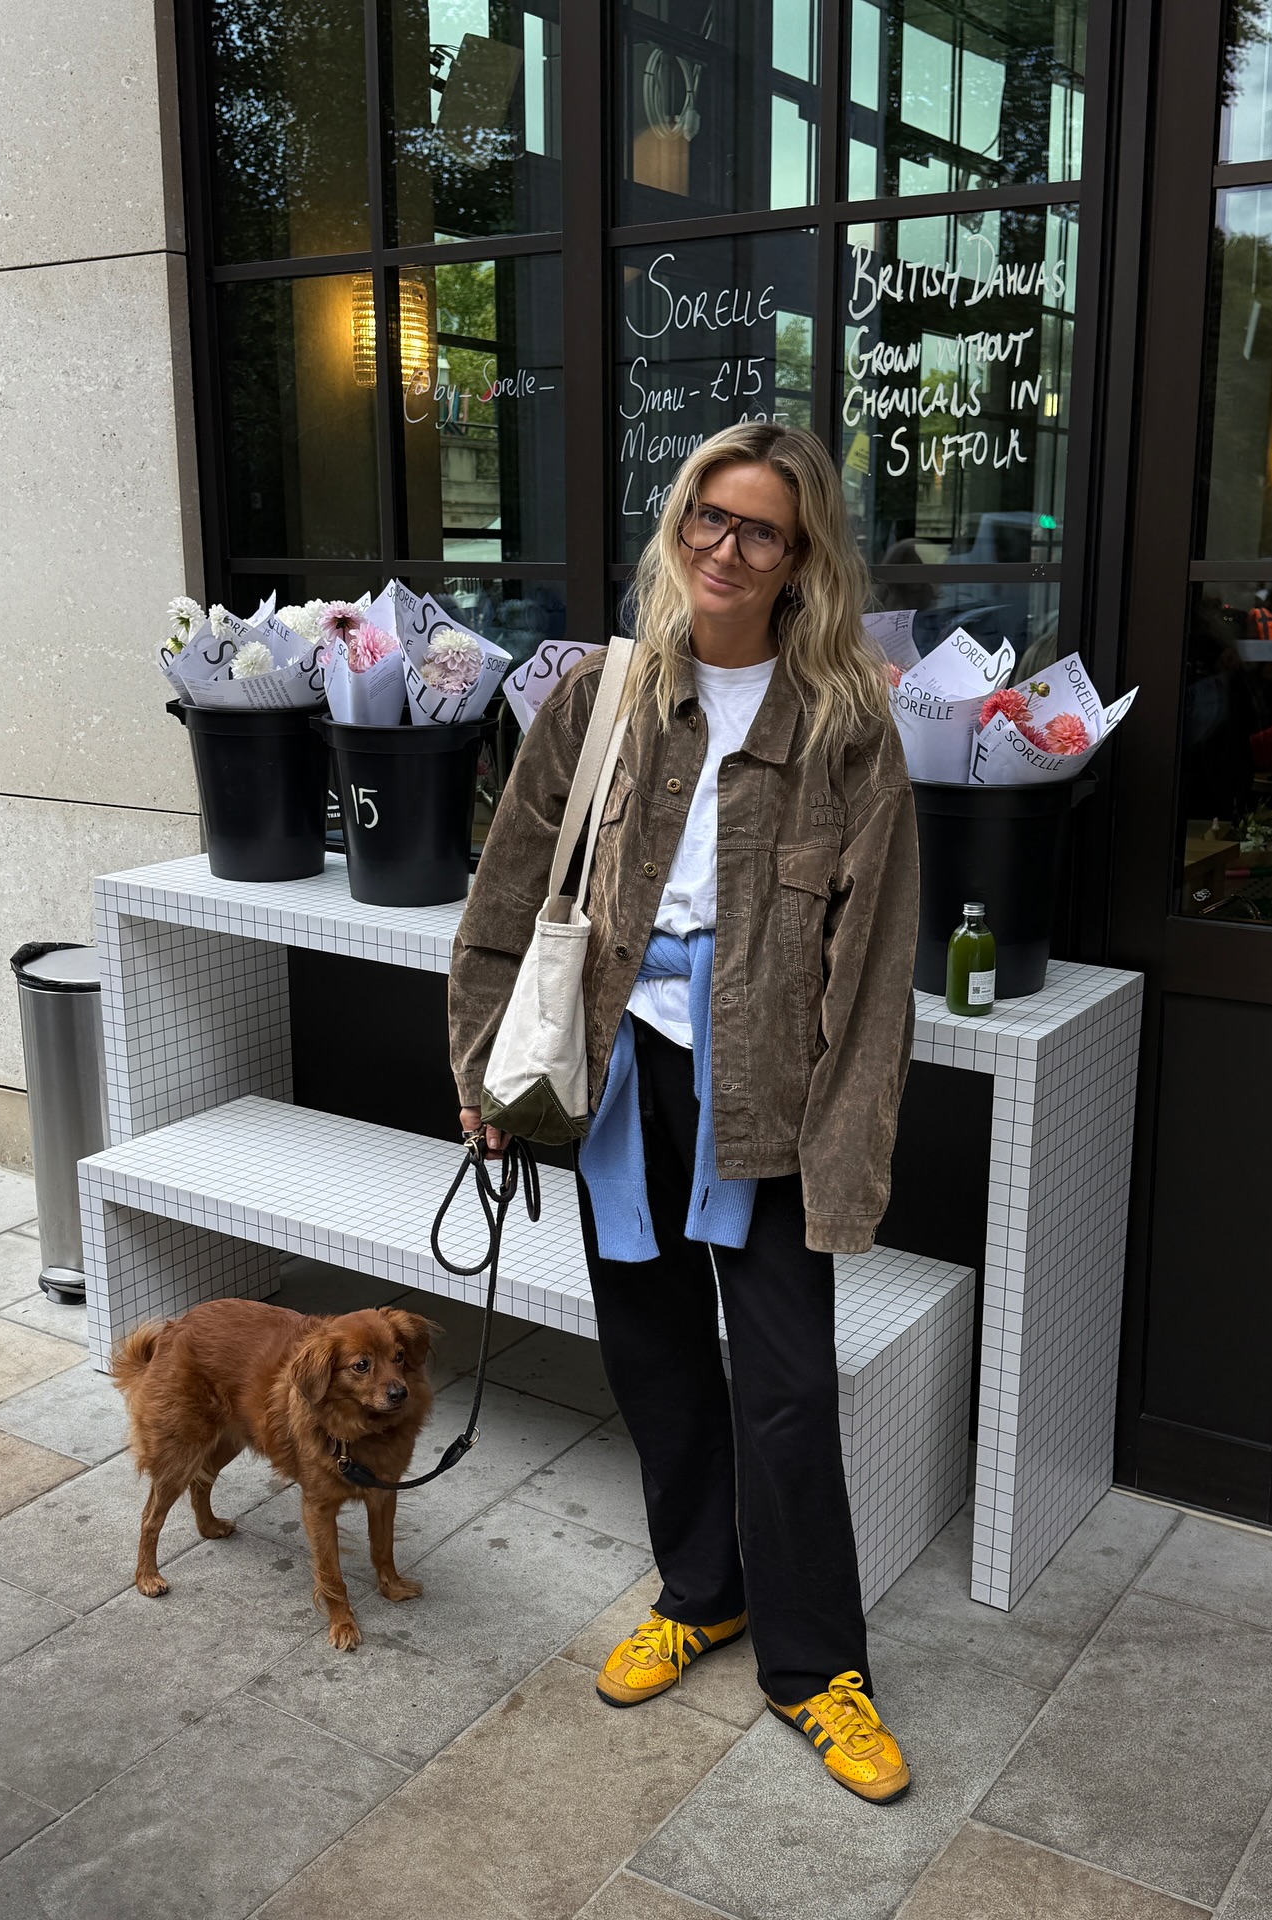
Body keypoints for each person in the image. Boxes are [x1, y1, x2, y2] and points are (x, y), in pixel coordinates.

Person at [448, 422, 920, 1804]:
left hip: (769, 1077)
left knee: (781, 1387)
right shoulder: (601, 698)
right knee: (651, 1352)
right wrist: (486, 1069)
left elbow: (878, 967)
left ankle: (818, 1666)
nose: (725, 547)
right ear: (678, 525)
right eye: (708, 517)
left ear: (800, 558)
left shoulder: (847, 728)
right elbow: (507, 893)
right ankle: (701, 1589)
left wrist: (845, 1157)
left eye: (759, 529)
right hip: (620, 1070)